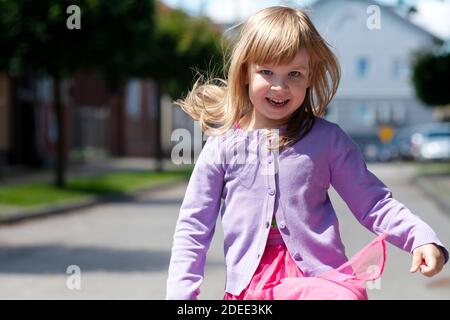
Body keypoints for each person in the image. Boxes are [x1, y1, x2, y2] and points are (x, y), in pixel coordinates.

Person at [165, 6, 448, 300]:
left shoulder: (327, 140)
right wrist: (181, 295)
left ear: (311, 76)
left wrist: (420, 237)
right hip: (251, 291)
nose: (280, 86)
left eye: (295, 74)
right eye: (266, 71)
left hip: (321, 283)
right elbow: (194, 227)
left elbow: (374, 203)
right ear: (246, 71)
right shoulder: (222, 147)